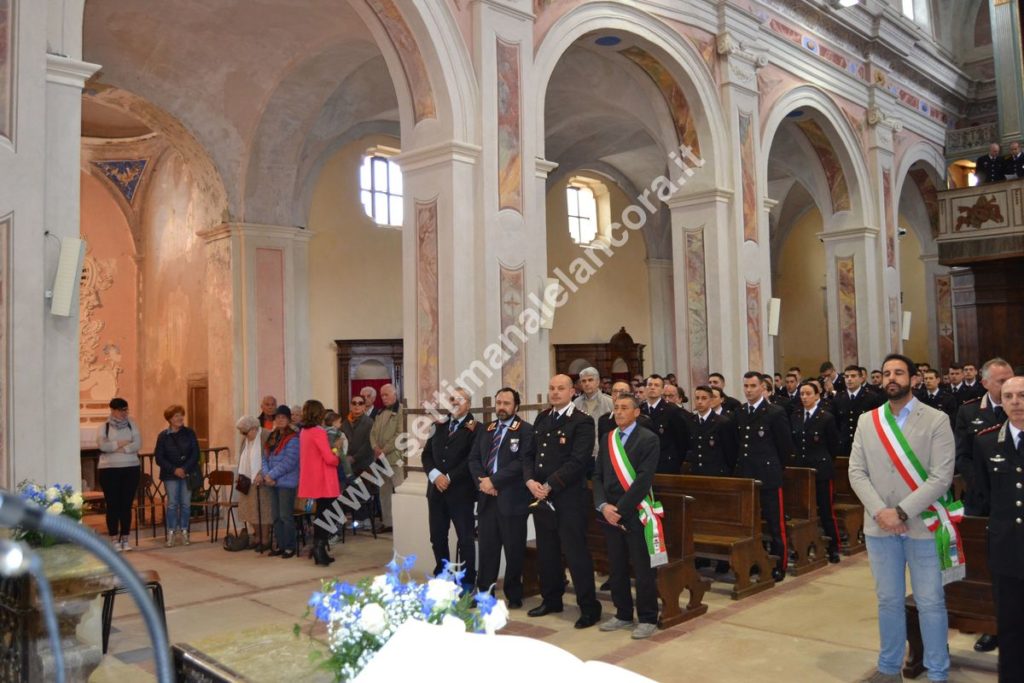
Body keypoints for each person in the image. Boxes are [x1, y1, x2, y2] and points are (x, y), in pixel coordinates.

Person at [848, 354, 958, 683]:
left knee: (930, 602)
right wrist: (881, 512)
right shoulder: (868, 421)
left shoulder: (936, 420)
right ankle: (888, 667)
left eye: (899, 373)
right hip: (879, 527)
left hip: (922, 526)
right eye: (886, 374)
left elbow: (941, 477)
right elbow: (856, 471)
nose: (891, 378)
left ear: (914, 379)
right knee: (888, 600)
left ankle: (938, 672)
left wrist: (900, 512)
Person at [524, 374, 602, 629]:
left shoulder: (582, 421)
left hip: (568, 497)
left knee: (575, 552)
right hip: (541, 497)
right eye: (552, 388)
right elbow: (530, 455)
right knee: (547, 552)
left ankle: (589, 607)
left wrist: (549, 485)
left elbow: (578, 461)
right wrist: (530, 482)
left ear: (572, 392)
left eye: (561, 388)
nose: (555, 392)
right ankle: (551, 599)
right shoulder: (543, 417)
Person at [593, 394, 663, 640]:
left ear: (636, 412)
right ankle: (623, 613)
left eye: (625, 408)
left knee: (642, 567)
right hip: (610, 513)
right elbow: (598, 475)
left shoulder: (648, 439)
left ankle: (647, 617)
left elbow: (643, 480)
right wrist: (603, 506)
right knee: (617, 565)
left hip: (636, 512)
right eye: (616, 408)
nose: (619, 412)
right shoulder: (608, 437)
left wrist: (620, 509)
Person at [973, 376, 1024, 681]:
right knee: (1010, 626)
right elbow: (982, 496)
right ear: (1000, 402)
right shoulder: (986, 441)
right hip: (1007, 551)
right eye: (1009, 396)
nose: (1016, 402)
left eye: (1022, 395)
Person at [469, 387, 534, 607]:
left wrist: (494, 481)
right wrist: (483, 482)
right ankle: (484, 594)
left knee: (514, 549)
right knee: (487, 549)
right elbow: (474, 459)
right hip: (488, 499)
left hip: (513, 499)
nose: (501, 407)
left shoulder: (525, 430)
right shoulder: (486, 429)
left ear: (516, 406)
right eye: (498, 403)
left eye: (506, 403)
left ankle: (514, 594)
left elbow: (522, 463)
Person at [734, 371, 793, 582]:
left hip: (768, 476)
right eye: (746, 386)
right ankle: (755, 562)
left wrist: (774, 467)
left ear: (762, 387)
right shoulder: (740, 412)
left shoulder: (774, 412)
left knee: (775, 524)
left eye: (752, 386)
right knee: (751, 524)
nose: (748, 390)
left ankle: (780, 564)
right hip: (746, 477)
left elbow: (785, 447)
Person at [422, 388, 478, 586]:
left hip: (461, 492)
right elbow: (426, 455)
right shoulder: (439, 424)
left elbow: (472, 459)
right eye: (452, 399)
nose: (455, 402)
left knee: (465, 539)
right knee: (437, 537)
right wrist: (435, 475)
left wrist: (449, 477)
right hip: (436, 491)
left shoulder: (475, 428)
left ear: (468, 404)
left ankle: (467, 580)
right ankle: (443, 576)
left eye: (460, 399)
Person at [790, 382, 842, 563]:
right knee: (803, 511)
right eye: (801, 394)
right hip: (802, 472)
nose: (804, 397)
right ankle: (803, 546)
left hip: (821, 470)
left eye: (808, 393)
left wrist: (824, 461)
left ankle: (834, 547)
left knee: (826, 510)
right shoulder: (795, 416)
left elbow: (834, 445)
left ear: (816, 395)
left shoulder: (825, 417)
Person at [956, 358, 1014, 515]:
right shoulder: (968, 412)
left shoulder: (1019, 409)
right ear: (985, 383)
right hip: (981, 496)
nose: (1008, 385)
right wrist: (982, 486)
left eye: (1010, 380)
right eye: (1001, 381)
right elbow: (963, 456)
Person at [96, 398, 142, 551]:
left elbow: (137, 443)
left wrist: (120, 448)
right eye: (122, 410)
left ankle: (125, 538)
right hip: (109, 470)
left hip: (131, 468)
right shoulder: (104, 427)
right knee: (113, 504)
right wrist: (120, 443)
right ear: (113, 410)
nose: (124, 413)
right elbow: (102, 445)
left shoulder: (132, 424)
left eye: (126, 410)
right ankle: (114, 538)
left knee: (126, 504)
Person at [298, 400, 340, 566]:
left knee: (322, 514)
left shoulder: (304, 432)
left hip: (312, 478)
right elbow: (329, 458)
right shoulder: (318, 432)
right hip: (324, 479)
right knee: (327, 515)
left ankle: (319, 548)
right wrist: (336, 450)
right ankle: (319, 548)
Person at [154, 404, 200, 547]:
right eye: (176, 416)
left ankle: (185, 531)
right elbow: (159, 457)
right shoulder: (163, 436)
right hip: (170, 474)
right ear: (169, 419)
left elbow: (195, 453)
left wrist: (184, 469)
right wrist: (174, 469)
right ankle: (171, 532)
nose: (180, 418)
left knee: (186, 504)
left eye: (181, 415)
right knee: (173, 503)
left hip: (187, 473)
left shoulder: (189, 433)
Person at [257, 405, 300, 558]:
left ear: (288, 419)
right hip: (272, 481)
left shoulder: (293, 437)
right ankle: (280, 545)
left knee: (285, 516)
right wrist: (267, 474)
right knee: (275, 516)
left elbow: (290, 462)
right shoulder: (273, 436)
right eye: (278, 417)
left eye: (283, 417)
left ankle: (289, 546)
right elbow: (265, 457)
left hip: (286, 482)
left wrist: (271, 476)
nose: (280, 420)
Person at [370, 383, 405, 532]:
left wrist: (384, 449)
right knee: (384, 493)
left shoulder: (401, 410)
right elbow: (372, 433)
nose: (383, 398)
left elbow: (400, 434)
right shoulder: (380, 412)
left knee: (399, 490)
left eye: (386, 395)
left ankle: (403, 522)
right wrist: (375, 447)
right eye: (382, 395)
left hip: (395, 458)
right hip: (380, 459)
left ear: (394, 394)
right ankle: (388, 522)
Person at [640, 374, 690, 474]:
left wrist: (676, 462)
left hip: (666, 464)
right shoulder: (639, 410)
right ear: (645, 389)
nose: (652, 387)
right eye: (649, 385)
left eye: (656, 385)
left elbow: (681, 440)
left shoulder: (672, 410)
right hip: (643, 463)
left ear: (662, 390)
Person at [235, 415, 272, 550]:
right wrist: (240, 474)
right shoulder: (245, 440)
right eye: (242, 432)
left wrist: (262, 473)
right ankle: (257, 537)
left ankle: (265, 539)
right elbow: (242, 457)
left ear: (254, 428)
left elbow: (271, 458)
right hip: (247, 480)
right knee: (250, 511)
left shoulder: (266, 436)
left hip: (262, 480)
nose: (243, 435)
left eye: (245, 432)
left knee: (263, 510)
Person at [835, 364, 884, 456]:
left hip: (865, 444)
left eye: (853, 376)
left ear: (861, 379)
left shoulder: (871, 397)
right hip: (844, 447)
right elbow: (836, 423)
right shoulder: (839, 398)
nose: (849, 379)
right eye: (846, 376)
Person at [686, 385, 736, 476]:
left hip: (716, 473)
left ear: (711, 400)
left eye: (704, 398)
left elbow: (730, 452)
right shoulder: (690, 421)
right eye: (697, 398)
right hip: (696, 472)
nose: (700, 402)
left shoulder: (722, 422)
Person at [573, 366, 614, 460]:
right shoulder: (576, 403)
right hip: (582, 454)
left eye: (590, 380)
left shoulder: (610, 402)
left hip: (604, 453)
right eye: (583, 381)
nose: (587, 384)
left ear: (598, 382)